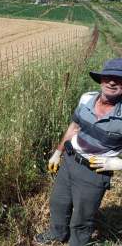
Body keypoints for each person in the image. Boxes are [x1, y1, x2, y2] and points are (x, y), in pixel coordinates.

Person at [35, 58, 122, 246]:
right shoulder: (86, 98)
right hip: (69, 161)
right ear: (101, 80)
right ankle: (57, 234)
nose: (112, 82)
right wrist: (58, 153)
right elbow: (74, 126)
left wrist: (117, 163)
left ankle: (77, 243)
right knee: (58, 203)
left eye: (118, 79)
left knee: (82, 218)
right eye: (108, 77)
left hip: (94, 172)